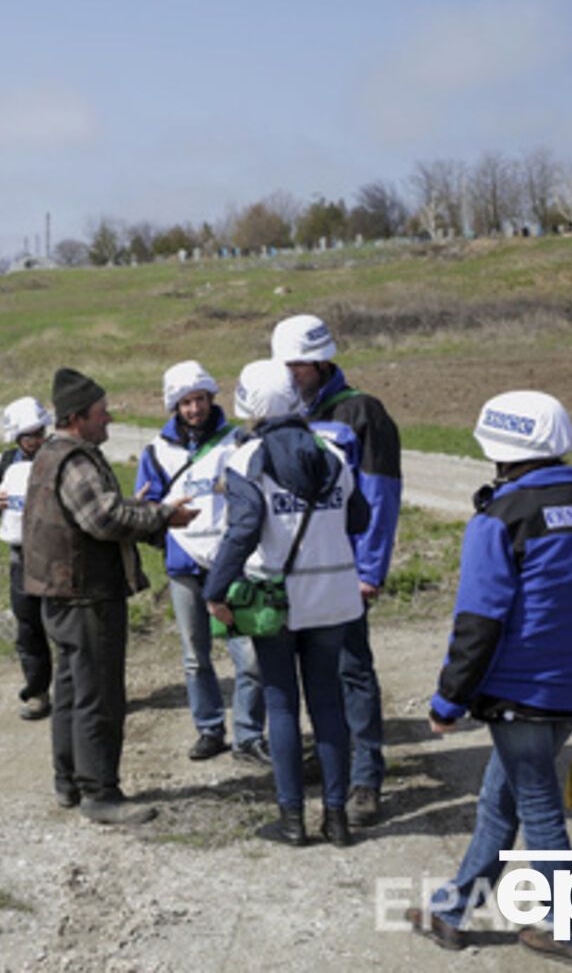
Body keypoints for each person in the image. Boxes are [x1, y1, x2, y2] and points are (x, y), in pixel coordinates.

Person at [408, 391, 572, 967]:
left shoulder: (500, 519)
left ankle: (569, 928)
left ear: (497, 449)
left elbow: (479, 623)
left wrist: (448, 701)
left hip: (517, 694)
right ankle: (452, 910)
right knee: (501, 801)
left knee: (536, 809)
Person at [22, 367, 197, 826]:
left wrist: (138, 509)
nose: (110, 418)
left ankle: (69, 782)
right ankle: (100, 793)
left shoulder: (48, 454)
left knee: (71, 691)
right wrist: (161, 516)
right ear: (78, 417)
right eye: (102, 412)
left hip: (59, 594)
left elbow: (96, 513)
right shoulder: (76, 460)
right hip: (86, 597)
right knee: (98, 694)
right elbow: (102, 519)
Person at [204, 360, 369, 847]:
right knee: (328, 704)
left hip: (276, 602)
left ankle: (292, 820)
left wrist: (215, 590)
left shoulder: (245, 458)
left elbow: (243, 528)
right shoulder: (333, 452)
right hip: (334, 598)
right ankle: (337, 818)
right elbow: (358, 518)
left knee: (281, 704)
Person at [272, 313, 400, 827]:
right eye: (283, 365)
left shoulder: (361, 413)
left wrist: (369, 570)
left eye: (297, 365)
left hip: (345, 569)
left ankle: (366, 777)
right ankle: (332, 762)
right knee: (310, 673)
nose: (289, 375)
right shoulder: (285, 412)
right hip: (295, 572)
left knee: (352, 668)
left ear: (322, 361)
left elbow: (382, 496)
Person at [135, 360, 268, 764]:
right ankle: (209, 729)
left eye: (200, 399)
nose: (194, 409)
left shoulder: (239, 442)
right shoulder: (156, 453)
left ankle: (248, 735)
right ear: (173, 406)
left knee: (250, 656)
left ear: (212, 397)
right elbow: (148, 510)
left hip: (234, 564)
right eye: (185, 402)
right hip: (184, 566)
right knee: (196, 656)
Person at [0, 396, 54, 720]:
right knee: (29, 630)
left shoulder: (57, 458)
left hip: (55, 557)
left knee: (64, 628)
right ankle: (38, 692)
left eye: (39, 433)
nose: (35, 441)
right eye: (29, 436)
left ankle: (74, 694)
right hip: (20, 557)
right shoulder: (4, 462)